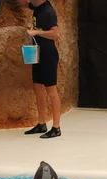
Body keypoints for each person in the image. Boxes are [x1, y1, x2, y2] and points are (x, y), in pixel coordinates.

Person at [20, 0, 62, 139]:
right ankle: (41, 123)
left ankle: (56, 127)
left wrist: (37, 32)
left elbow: (56, 34)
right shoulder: (37, 7)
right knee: (38, 87)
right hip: (37, 54)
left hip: (48, 55)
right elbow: (23, 3)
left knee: (51, 90)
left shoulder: (47, 12)